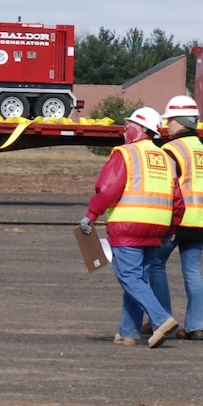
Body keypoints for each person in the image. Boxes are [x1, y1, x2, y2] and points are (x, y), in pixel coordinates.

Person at [79, 106, 185, 348]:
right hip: (156, 229)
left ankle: (161, 319)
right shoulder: (166, 160)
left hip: (129, 227)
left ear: (139, 130)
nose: (125, 130)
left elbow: (108, 188)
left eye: (128, 126)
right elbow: (177, 201)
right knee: (137, 280)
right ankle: (128, 332)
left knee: (129, 278)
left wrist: (91, 214)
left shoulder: (126, 154)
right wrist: (170, 229)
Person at [148, 95, 203, 340]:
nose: (167, 124)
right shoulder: (202, 150)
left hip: (178, 219)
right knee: (192, 271)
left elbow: (164, 185)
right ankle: (197, 326)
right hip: (201, 219)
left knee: (155, 262)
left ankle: (162, 318)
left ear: (181, 121)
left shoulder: (171, 149)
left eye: (170, 120)